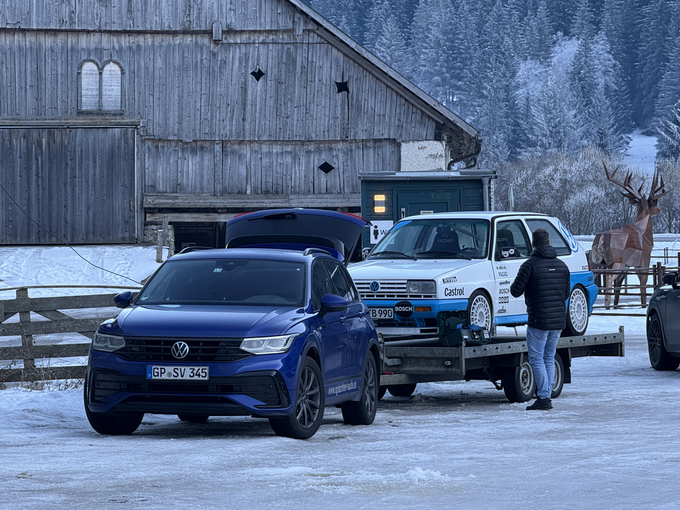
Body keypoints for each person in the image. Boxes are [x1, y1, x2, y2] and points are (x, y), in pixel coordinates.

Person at [510, 228, 570, 411]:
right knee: (549, 357)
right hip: (558, 320)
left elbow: (515, 291)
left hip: (538, 319)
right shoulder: (562, 266)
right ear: (549, 242)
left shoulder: (529, 265)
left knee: (536, 358)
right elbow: (566, 293)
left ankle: (544, 398)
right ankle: (546, 394)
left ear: (533, 244)